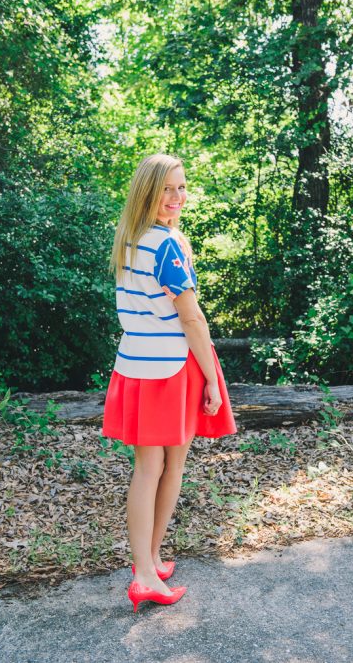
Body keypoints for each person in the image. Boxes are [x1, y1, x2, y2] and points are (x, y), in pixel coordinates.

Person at [102, 153, 237, 613]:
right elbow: (192, 318)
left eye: (182, 188)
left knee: (154, 467)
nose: (177, 197)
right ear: (148, 191)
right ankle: (143, 572)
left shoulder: (130, 240)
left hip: (135, 362)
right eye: (168, 189)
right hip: (174, 364)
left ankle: (151, 561)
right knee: (162, 467)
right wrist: (214, 380)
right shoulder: (167, 246)